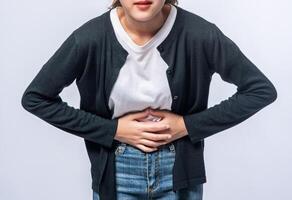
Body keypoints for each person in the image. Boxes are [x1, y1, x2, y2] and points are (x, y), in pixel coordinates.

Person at [21, 0, 278, 199]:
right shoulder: (89, 38)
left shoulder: (200, 34)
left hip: (179, 170)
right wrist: (114, 130)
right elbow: (36, 98)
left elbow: (259, 90)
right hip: (116, 170)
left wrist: (186, 125)